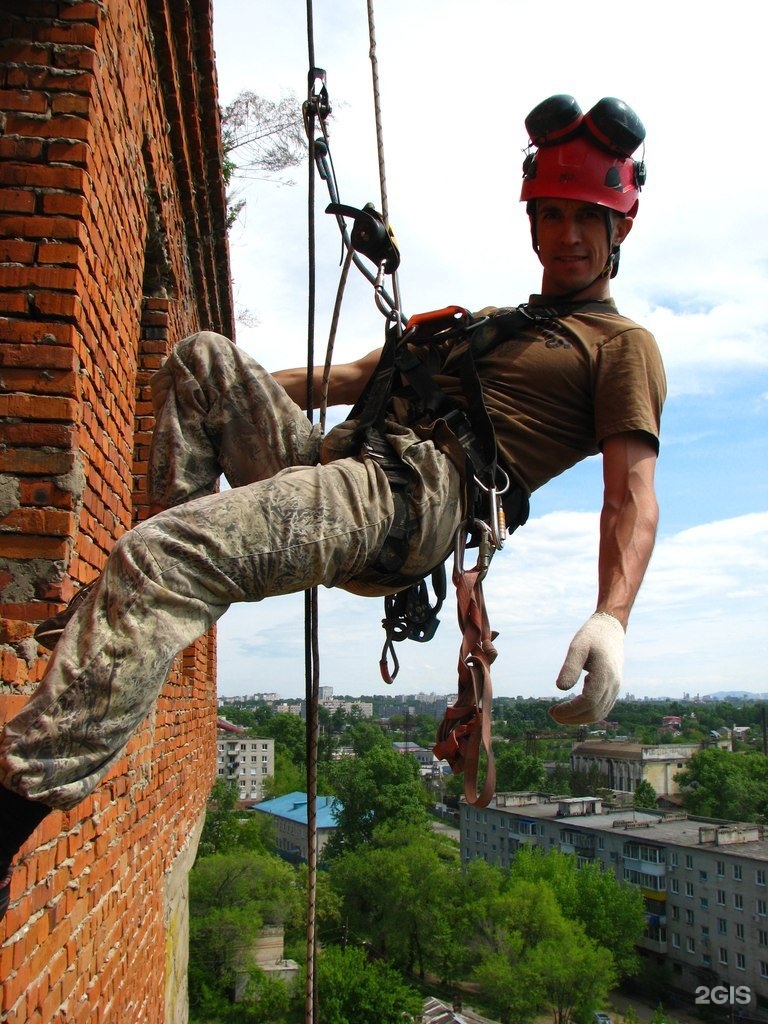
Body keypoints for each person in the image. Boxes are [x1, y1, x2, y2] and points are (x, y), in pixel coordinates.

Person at [0, 94, 665, 919]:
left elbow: (631, 491)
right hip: (343, 458)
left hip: (410, 493)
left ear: (619, 232)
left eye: (588, 220)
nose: (569, 235)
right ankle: (128, 613)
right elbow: (341, 382)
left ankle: (16, 807)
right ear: (532, 221)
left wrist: (614, 615)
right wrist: (229, 402)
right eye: (554, 214)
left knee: (162, 558)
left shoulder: (620, 346)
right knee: (203, 361)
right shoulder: (483, 324)